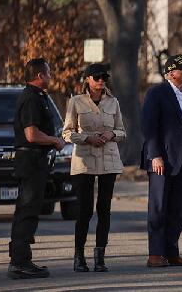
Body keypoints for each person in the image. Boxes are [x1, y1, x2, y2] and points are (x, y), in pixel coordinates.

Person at [140, 54, 182, 268]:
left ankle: (171, 251)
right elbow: (149, 127)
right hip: (163, 157)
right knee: (159, 206)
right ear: (171, 73)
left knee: (177, 208)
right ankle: (155, 254)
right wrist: (154, 155)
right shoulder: (157, 93)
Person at [62, 63, 126, 272]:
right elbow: (67, 133)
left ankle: (100, 257)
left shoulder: (113, 102)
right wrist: (87, 138)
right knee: (84, 210)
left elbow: (122, 131)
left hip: (109, 160)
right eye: (97, 77)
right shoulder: (75, 102)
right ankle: (79, 256)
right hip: (84, 160)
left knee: (104, 210)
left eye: (104, 77)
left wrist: (111, 135)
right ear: (87, 79)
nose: (101, 80)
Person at [8, 58, 65, 279]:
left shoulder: (37, 96)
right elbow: (31, 134)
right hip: (30, 162)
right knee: (27, 210)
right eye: (48, 73)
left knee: (29, 210)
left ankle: (22, 259)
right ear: (40, 76)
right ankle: (20, 262)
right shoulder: (31, 98)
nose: (51, 76)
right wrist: (54, 140)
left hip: (35, 162)